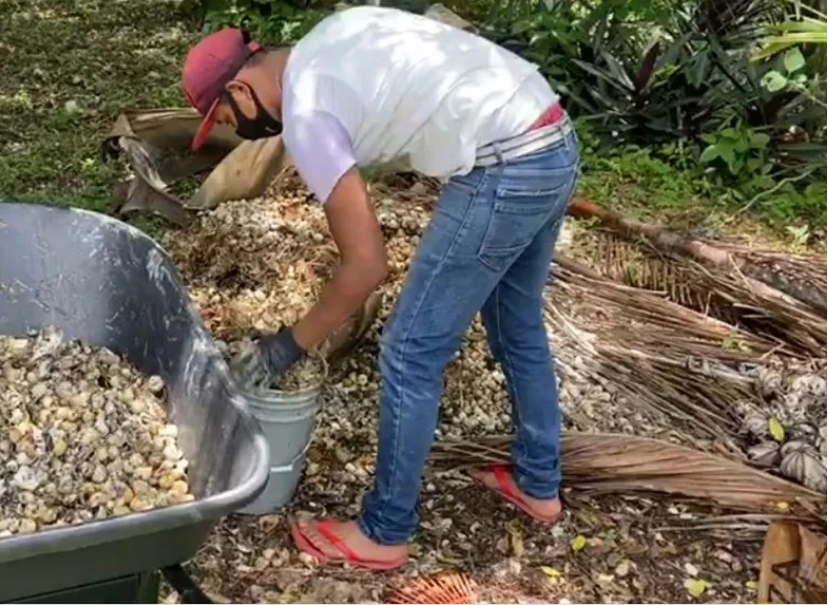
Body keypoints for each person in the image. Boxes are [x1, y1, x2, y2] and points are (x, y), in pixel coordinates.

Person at [181, 5, 579, 570]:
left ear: (242, 89)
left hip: (506, 166)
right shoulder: (333, 34)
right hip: (551, 136)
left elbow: (367, 266)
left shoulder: (309, 114)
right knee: (515, 323)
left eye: (224, 118)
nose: (235, 132)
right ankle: (539, 483)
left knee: (410, 352)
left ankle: (385, 530)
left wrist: (287, 345)